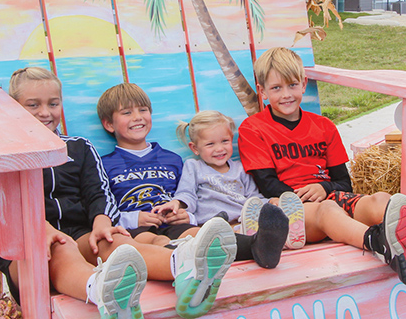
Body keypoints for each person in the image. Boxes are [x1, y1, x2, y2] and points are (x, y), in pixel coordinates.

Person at [2, 67, 238, 319]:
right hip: (26, 249)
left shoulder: (77, 148)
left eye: (53, 104)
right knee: (61, 248)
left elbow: (97, 192)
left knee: (115, 243)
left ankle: (184, 267)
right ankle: (104, 293)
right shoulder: (5, 154)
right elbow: (3, 202)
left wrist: (102, 220)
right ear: (14, 107)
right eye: (33, 105)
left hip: (80, 234)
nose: (45, 112)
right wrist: (39, 227)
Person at [237, 47, 406, 286]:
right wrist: (308, 196)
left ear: (303, 83)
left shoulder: (323, 126)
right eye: (276, 88)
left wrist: (323, 187)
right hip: (290, 212)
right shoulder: (254, 129)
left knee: (380, 200)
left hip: (328, 196)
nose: (286, 94)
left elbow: (344, 183)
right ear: (262, 91)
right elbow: (267, 184)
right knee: (327, 209)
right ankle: (379, 244)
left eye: (292, 85)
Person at [96, 83, 289, 269]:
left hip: (175, 223)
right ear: (109, 124)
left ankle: (259, 247)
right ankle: (180, 263)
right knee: (155, 240)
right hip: (137, 228)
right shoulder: (104, 164)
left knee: (203, 236)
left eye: (143, 110)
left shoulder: (170, 159)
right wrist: (133, 219)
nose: (137, 117)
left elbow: (187, 193)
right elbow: (102, 208)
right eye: (127, 113)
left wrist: (184, 214)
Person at [152, 110, 306, 267]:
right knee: (229, 233)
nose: (219, 149)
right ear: (195, 148)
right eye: (210, 144)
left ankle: (287, 230)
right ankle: (269, 240)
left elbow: (253, 198)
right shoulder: (194, 167)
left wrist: (271, 202)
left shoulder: (240, 169)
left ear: (231, 139)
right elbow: (186, 193)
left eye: (224, 141)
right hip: (214, 222)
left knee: (264, 212)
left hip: (244, 220)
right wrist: (177, 204)